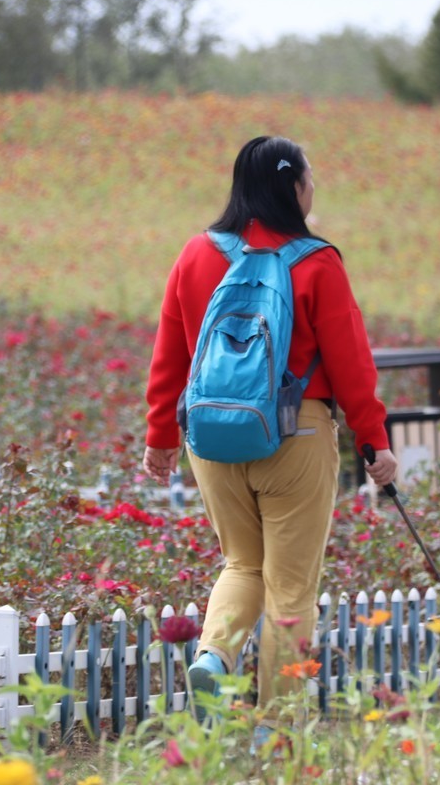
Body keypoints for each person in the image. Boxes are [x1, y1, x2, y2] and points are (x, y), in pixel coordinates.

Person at [142, 136, 397, 732]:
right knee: (290, 587)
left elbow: (169, 354)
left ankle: (214, 656)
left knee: (241, 564)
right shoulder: (316, 261)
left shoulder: (197, 254)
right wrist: (373, 439)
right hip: (296, 435)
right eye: (310, 180)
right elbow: (350, 361)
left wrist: (160, 436)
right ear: (295, 188)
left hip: (211, 436)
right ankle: (279, 730)